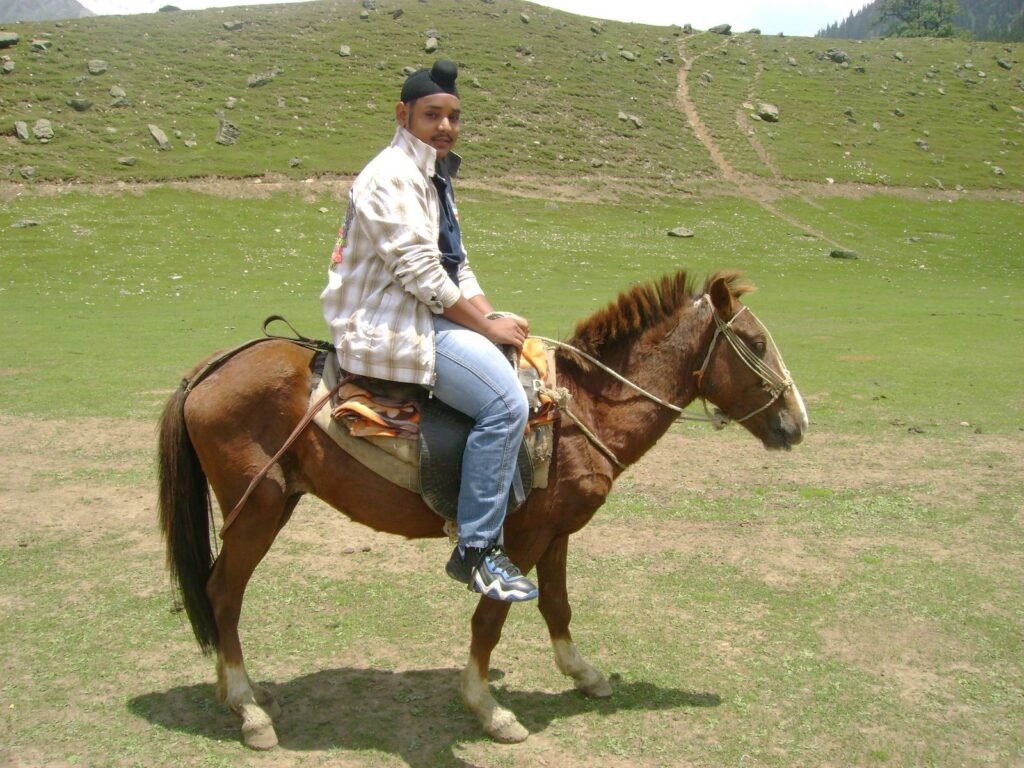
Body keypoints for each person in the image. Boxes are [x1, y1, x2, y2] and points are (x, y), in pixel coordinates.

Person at [320, 60, 538, 603]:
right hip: (391, 322)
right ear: (404, 115)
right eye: (432, 115)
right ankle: (477, 549)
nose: (445, 126)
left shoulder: (432, 174)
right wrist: (484, 325)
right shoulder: (392, 174)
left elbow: (455, 266)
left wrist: (492, 320)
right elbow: (420, 272)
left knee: (515, 358)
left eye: (454, 117)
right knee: (505, 405)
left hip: (422, 311)